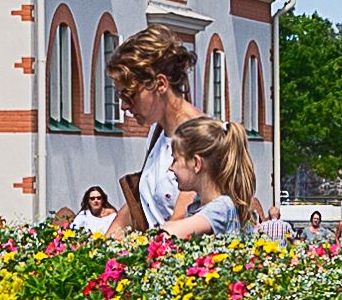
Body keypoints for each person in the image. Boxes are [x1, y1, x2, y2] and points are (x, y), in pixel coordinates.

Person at [106, 23, 197, 235]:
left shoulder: (200, 138)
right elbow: (140, 205)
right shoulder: (158, 133)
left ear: (160, 84)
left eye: (130, 95)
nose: (124, 106)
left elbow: (180, 222)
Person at [163, 114, 260, 242]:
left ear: (197, 164)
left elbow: (172, 233)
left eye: (175, 159)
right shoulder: (201, 203)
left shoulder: (222, 206)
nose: (170, 167)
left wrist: (166, 227)